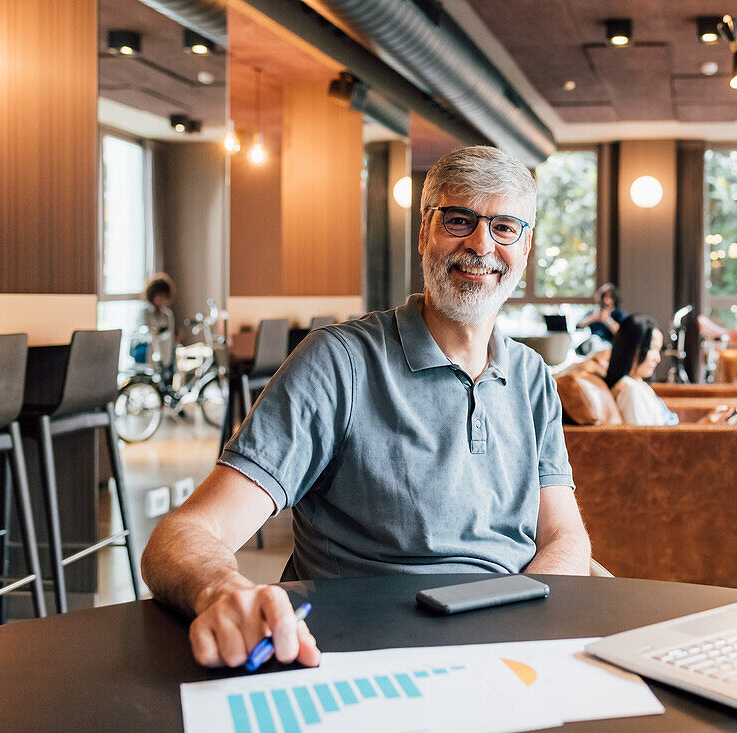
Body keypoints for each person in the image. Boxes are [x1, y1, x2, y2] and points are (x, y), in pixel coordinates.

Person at [141, 146, 590, 670]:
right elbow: (186, 534)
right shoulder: (340, 363)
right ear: (424, 233)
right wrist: (222, 590)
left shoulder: (533, 376)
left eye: (505, 227)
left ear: (526, 246)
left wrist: (522, 628)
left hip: (504, 656)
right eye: (459, 220)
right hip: (363, 655)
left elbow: (564, 535)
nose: (480, 245)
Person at [605, 315, 737, 531]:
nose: (658, 358)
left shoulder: (637, 385)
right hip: (685, 455)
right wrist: (704, 425)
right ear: (634, 348)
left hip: (686, 444)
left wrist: (708, 422)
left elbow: (661, 436)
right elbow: (651, 445)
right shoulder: (629, 390)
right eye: (653, 350)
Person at [141, 273, 177, 387]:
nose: (161, 300)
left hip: (164, 350)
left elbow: (170, 334)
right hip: (148, 350)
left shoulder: (167, 314)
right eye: (159, 296)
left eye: (163, 297)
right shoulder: (145, 312)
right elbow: (143, 332)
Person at [576, 283, 625, 354]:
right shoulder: (594, 312)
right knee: (593, 341)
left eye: (609, 297)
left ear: (614, 299)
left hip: (608, 344)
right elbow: (579, 326)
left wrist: (608, 320)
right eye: (604, 296)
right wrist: (592, 318)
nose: (606, 300)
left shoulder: (618, 314)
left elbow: (622, 333)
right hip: (592, 341)